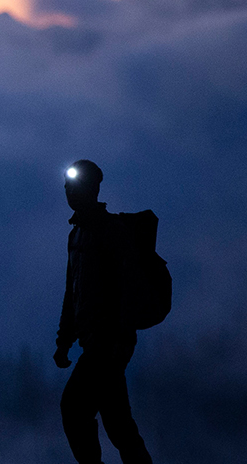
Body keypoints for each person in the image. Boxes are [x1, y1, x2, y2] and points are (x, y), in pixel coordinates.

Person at [54, 159, 153, 464]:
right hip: (98, 341)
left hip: (108, 342)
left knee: (74, 409)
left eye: (75, 185)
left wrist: (122, 337)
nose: (69, 190)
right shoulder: (77, 236)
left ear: (92, 189)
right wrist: (64, 340)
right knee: (118, 423)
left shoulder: (111, 231)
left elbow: (129, 285)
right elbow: (73, 292)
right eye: (67, 185)